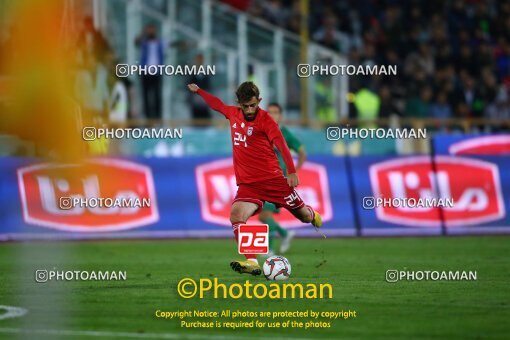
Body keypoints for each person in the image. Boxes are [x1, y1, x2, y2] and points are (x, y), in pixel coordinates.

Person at [187, 81, 322, 276]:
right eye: (245, 106)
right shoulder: (233, 114)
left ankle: (313, 214)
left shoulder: (266, 121)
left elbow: (282, 145)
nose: (250, 110)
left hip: (273, 181)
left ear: (259, 101)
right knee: (236, 216)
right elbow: (216, 104)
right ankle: (252, 261)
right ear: (239, 103)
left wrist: (291, 171)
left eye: (253, 105)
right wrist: (200, 91)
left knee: (304, 217)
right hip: (249, 185)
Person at [261, 103, 307, 256]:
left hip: (278, 180)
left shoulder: (285, 133)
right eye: (270, 112)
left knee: (265, 214)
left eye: (275, 112)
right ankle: (284, 234)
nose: (272, 115)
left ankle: (270, 249)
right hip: (263, 179)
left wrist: (295, 171)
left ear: (280, 116)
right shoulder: (261, 131)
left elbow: (301, 152)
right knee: (262, 215)